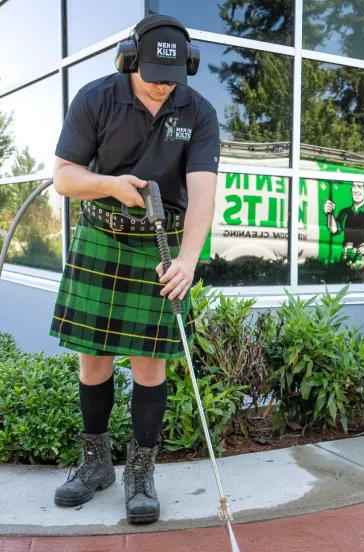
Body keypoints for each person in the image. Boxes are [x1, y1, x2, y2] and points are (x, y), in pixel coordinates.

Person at [49, 14, 220, 525]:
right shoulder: (96, 98)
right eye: (152, 73)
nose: (163, 85)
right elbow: (63, 178)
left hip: (158, 245)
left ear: (187, 67)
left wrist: (188, 259)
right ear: (129, 59)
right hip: (100, 235)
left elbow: (204, 192)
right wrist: (110, 184)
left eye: (173, 75)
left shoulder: (199, 110)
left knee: (150, 362)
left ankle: (141, 473)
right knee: (94, 357)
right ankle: (95, 464)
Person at [324, 181, 364, 260]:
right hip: (345, 257)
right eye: (354, 187)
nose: (355, 190)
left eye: (359, 187)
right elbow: (334, 230)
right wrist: (329, 214)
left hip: (360, 259)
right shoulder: (344, 212)